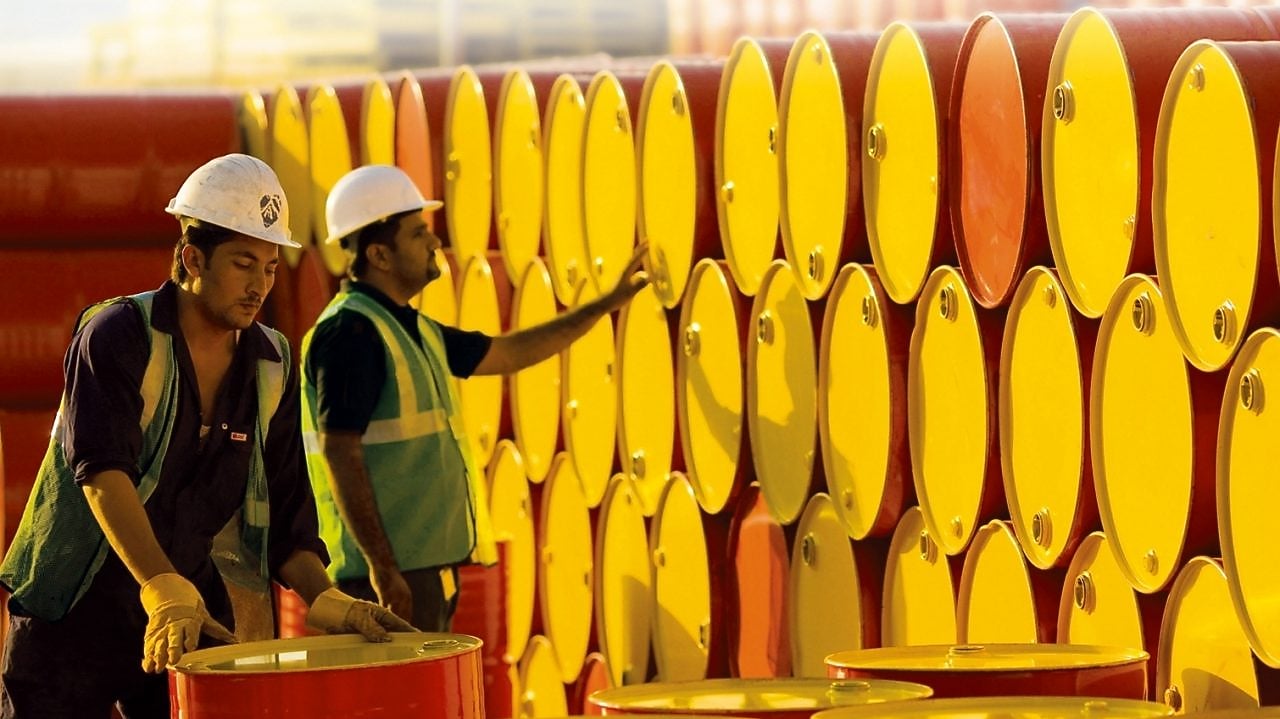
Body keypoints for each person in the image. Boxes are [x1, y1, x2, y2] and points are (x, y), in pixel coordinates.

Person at [0, 154, 414, 719]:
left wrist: (326, 598)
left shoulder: (271, 361)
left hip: (190, 610)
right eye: (244, 264)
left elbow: (289, 510)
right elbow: (101, 472)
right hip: (75, 604)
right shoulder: (117, 334)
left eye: (270, 267)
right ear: (193, 257)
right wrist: (160, 584)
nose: (260, 286)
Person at [302, 164, 648, 631]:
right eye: (418, 232)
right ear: (380, 255)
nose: (433, 242)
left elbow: (510, 353)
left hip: (421, 569)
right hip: (382, 577)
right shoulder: (351, 333)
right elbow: (340, 454)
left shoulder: (415, 329)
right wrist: (382, 567)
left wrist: (607, 304)